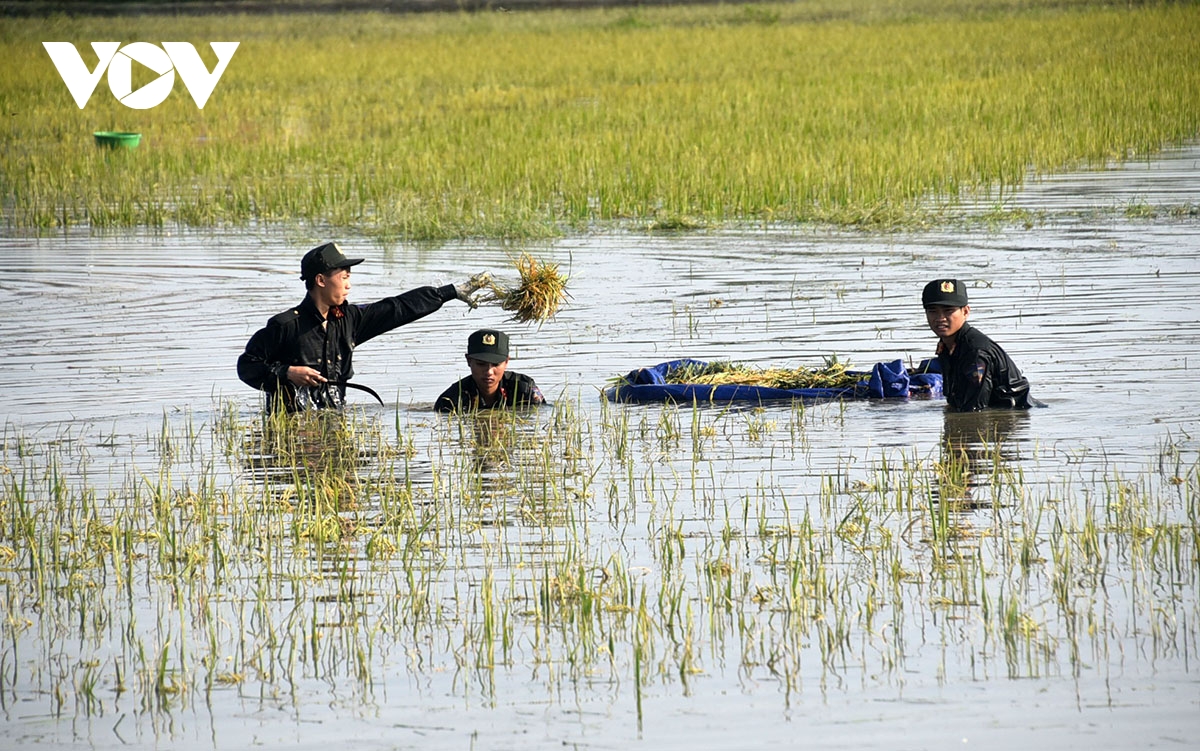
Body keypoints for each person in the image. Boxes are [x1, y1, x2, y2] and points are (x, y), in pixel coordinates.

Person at [237, 241, 488, 412]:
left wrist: (449, 292)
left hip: (335, 421)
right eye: (344, 276)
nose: (349, 284)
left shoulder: (349, 319)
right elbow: (247, 366)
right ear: (321, 280)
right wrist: (287, 373)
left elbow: (397, 308)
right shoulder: (285, 325)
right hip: (290, 430)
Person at [922, 278, 1034, 411]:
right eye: (933, 311)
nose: (940, 318)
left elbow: (975, 411)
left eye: (948, 310)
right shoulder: (947, 346)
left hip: (1014, 416)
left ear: (965, 312)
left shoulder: (975, 352)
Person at [434, 329, 545, 413]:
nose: (489, 372)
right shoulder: (451, 400)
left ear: (506, 362)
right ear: (468, 361)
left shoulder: (525, 390)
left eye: (496, 364)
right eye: (481, 364)